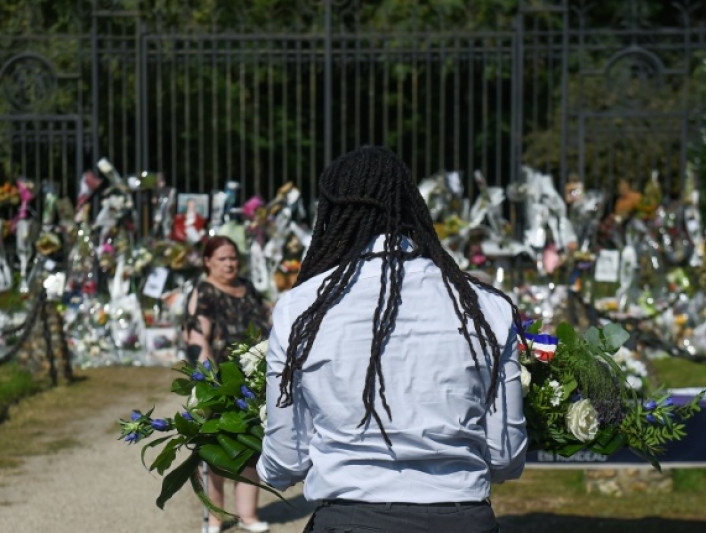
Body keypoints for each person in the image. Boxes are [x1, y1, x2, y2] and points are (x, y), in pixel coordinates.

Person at [257, 146, 528, 533]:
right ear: (412, 204)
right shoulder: (487, 308)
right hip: (461, 518)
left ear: (330, 214)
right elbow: (506, 456)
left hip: (350, 520)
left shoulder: (302, 309)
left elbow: (285, 462)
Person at [185, 235, 271, 533]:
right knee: (213, 449)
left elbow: (266, 324)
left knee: (251, 444)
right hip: (219, 380)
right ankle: (215, 517)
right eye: (223, 258)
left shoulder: (248, 288)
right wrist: (210, 384)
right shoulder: (204, 291)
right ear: (208, 261)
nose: (230, 263)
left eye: (233, 257)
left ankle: (247, 515)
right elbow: (197, 337)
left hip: (252, 382)